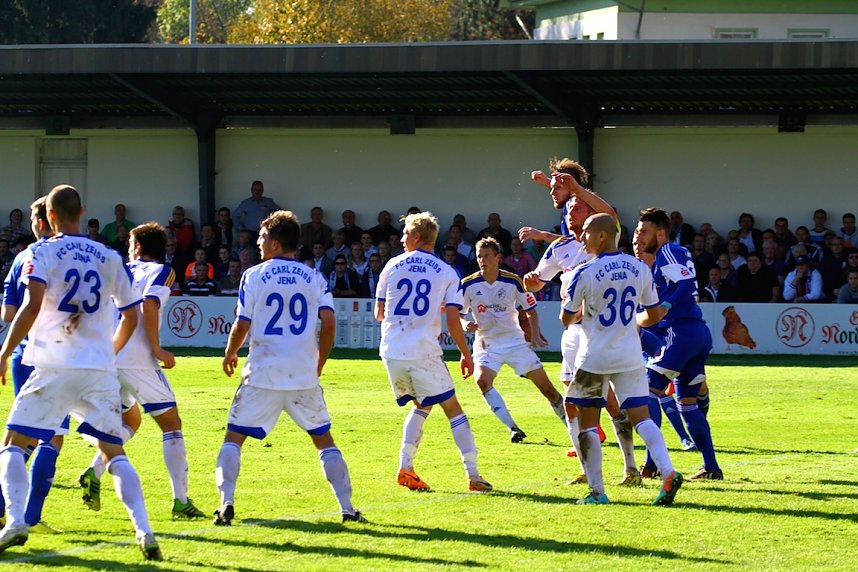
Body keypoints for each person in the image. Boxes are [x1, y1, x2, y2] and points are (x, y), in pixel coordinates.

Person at [0, 184, 161, 559]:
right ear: (82, 212)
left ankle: (16, 521)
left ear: (50, 216)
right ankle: (144, 529)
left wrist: (5, 352)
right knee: (114, 452)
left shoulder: (40, 251)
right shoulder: (110, 256)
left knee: (13, 443)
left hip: (53, 364)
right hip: (97, 369)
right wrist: (109, 352)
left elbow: (31, 306)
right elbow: (131, 315)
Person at [216, 210, 365, 525]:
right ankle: (348, 508)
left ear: (274, 243)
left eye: (262, 237)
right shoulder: (314, 277)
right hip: (302, 374)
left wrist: (230, 352)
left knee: (234, 437)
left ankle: (225, 503)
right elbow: (329, 322)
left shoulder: (253, 275)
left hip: (262, 373)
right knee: (323, 439)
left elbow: (242, 322)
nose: (258, 242)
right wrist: (319, 361)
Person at [78, 222, 205, 520]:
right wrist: (157, 349)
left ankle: (94, 471)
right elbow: (149, 304)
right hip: (137, 359)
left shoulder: (117, 270)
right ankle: (181, 501)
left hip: (108, 355)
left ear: (136, 247)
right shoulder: (162, 271)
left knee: (131, 419)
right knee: (172, 424)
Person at [561, 213, 682, 506]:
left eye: (587, 231)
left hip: (595, 356)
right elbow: (652, 315)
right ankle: (668, 471)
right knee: (642, 417)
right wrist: (630, 322)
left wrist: (583, 313)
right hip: (629, 354)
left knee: (588, 424)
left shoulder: (585, 271)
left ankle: (597, 492)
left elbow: (566, 318)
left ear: (602, 235)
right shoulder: (640, 268)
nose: (582, 237)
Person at [376, 211, 492, 493]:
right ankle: (473, 475)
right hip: (423, 351)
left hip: (391, 350)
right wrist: (466, 354)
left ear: (416, 237)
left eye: (405, 234)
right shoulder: (446, 272)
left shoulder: (391, 265)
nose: (401, 239)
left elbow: (379, 313)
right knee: (453, 409)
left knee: (422, 405)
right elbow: (453, 320)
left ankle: (406, 467)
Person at [635, 207, 722, 481]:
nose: (639, 237)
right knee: (686, 404)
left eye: (643, 232)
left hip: (680, 332)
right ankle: (711, 467)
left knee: (648, 390)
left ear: (660, 233)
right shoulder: (670, 256)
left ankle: (651, 464)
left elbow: (685, 283)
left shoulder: (668, 251)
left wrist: (665, 306)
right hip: (696, 333)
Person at [0, 197, 64, 533]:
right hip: (57, 357)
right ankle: (31, 518)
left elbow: (8, 314)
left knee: (21, 434)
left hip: (21, 356)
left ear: (37, 222)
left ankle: (3, 509)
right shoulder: (64, 255)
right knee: (51, 438)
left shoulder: (20, 258)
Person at [460, 237, 565, 442]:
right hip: (486, 343)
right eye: (479, 256)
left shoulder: (513, 280)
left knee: (548, 390)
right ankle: (513, 428)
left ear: (497, 258)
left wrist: (535, 334)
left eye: (487, 256)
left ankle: (575, 430)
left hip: (515, 342)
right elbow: (459, 315)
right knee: (482, 381)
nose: (482, 260)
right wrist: (466, 325)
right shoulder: (468, 284)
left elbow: (531, 309)